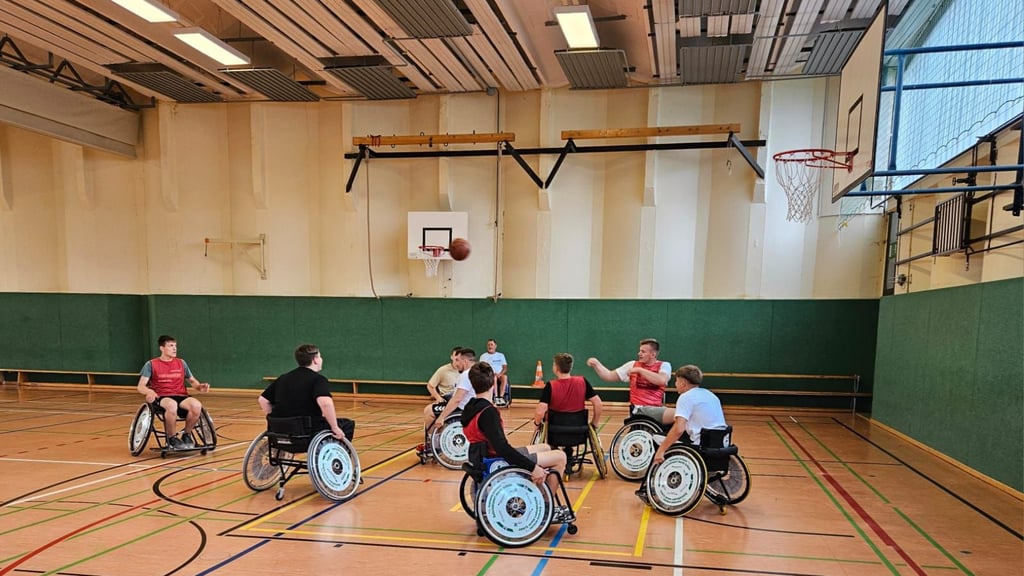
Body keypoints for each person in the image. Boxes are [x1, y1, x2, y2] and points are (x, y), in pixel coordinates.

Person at [461, 362, 572, 522]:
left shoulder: (470, 407)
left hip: (484, 456)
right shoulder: (488, 412)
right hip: (496, 460)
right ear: (493, 383)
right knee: (560, 457)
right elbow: (503, 448)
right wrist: (533, 468)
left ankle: (539, 494)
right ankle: (545, 509)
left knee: (545, 447)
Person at [638, 365, 727, 503]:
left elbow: (679, 429)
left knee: (657, 438)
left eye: (676, 381)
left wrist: (661, 451)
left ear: (683, 383)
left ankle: (654, 487)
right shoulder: (710, 395)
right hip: (720, 444)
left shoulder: (686, 397)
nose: (675, 384)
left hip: (700, 446)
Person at [258, 344, 355, 441]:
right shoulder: (318, 379)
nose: (321, 359)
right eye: (320, 356)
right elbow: (325, 403)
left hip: (280, 430)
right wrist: (334, 427)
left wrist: (277, 421)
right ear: (315, 359)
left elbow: (263, 400)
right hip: (306, 431)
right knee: (347, 424)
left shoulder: (283, 378)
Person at [136, 335, 210, 450]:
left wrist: (200, 387)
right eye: (171, 346)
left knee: (196, 405)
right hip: (162, 396)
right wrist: (149, 391)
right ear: (162, 348)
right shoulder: (151, 364)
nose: (174, 348)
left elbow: (193, 381)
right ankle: (171, 438)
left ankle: (187, 435)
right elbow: (141, 386)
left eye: (175, 346)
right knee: (172, 405)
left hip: (181, 395)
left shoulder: (181, 363)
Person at [587, 338, 671, 411]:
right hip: (637, 409)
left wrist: (639, 370)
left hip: (656, 409)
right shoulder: (632, 365)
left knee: (674, 415)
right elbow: (609, 376)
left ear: (653, 354)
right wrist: (596, 364)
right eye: (639, 351)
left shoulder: (664, 365)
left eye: (643, 352)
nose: (639, 353)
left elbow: (661, 380)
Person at [421, 348, 476, 453]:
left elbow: (457, 399)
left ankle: (435, 446)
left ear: (465, 361)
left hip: (461, 409)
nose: (457, 364)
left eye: (458, 360)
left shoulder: (466, 375)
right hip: (472, 406)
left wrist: (442, 417)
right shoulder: (478, 372)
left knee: (429, 411)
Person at [534, 352, 603, 430]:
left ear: (556, 368)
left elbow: (540, 412)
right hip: (579, 429)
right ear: (570, 367)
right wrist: (595, 422)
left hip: (555, 430)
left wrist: (536, 424)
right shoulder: (582, 381)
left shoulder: (550, 385)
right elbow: (598, 403)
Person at [421, 347, 463, 433]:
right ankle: (432, 435)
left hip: (460, 401)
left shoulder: (467, 371)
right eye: (456, 358)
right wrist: (438, 398)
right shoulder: (443, 370)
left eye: (460, 358)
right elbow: (430, 386)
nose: (458, 361)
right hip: (446, 400)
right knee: (428, 410)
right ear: (452, 357)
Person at [479, 339, 509, 407]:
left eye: (491, 345)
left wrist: (500, 374)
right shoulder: (483, 356)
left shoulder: (501, 355)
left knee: (505, 377)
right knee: (494, 378)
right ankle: (495, 397)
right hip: (489, 375)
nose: (490, 346)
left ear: (495, 346)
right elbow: (481, 367)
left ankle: (501, 397)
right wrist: (491, 373)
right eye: (488, 345)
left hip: (499, 374)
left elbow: (505, 367)